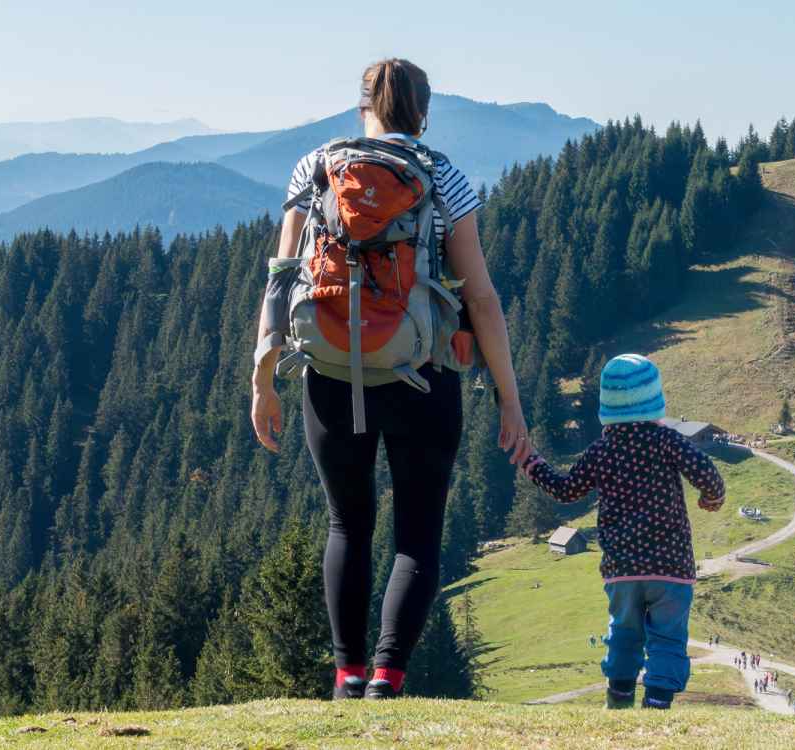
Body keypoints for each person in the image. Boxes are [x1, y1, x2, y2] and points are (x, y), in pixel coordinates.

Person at [251, 58, 530, 701]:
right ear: (424, 113)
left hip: (329, 371)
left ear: (361, 109)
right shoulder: (443, 178)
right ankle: (386, 676)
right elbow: (481, 298)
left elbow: (281, 273)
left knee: (346, 524)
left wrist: (263, 373)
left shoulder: (315, 167)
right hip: (422, 375)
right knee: (417, 532)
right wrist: (510, 401)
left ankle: (347, 676)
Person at [520, 354, 726, 710]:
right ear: (655, 401)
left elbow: (567, 489)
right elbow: (706, 473)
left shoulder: (603, 450)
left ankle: (618, 700)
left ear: (607, 406)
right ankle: (658, 704)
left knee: (625, 635)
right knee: (667, 637)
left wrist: (533, 465)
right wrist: (713, 497)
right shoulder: (666, 441)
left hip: (622, 569)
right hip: (671, 567)